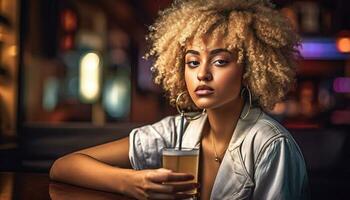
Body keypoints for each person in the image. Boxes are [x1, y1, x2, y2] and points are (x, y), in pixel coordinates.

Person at [50, 0, 309, 199]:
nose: (202, 74)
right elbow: (64, 167)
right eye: (193, 62)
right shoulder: (176, 131)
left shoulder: (270, 145)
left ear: (249, 69)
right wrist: (131, 182)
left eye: (220, 61)